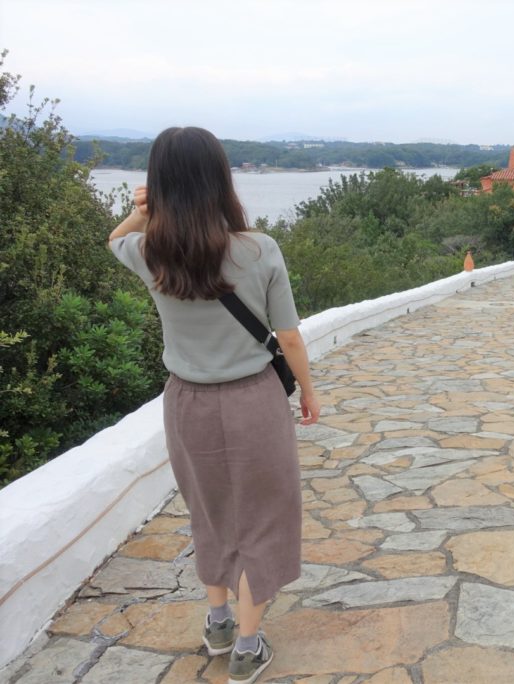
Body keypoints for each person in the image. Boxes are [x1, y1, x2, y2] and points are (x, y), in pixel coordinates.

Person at [108, 127, 320, 684]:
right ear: (220, 179)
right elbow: (290, 337)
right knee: (264, 520)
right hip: (253, 401)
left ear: (161, 185)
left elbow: (112, 239)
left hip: (185, 404)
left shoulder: (150, 251)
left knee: (210, 511)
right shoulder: (258, 249)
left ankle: (219, 621)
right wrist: (311, 393)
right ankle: (247, 649)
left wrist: (141, 211)